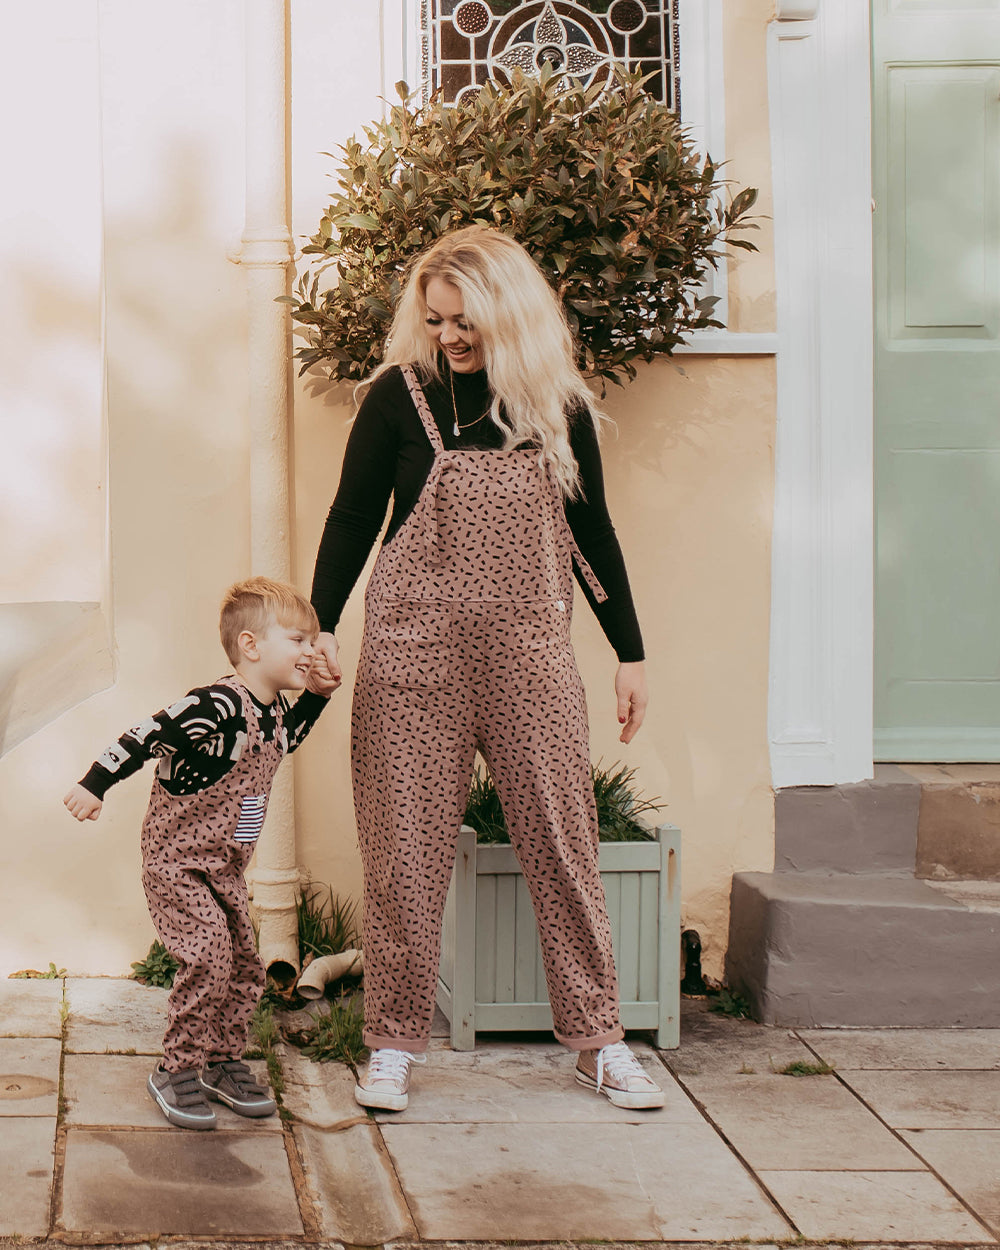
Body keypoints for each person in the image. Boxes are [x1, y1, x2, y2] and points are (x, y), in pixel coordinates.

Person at [308, 225, 663, 1112]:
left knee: (563, 844)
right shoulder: (398, 396)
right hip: (410, 655)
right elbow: (352, 519)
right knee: (403, 855)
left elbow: (595, 536)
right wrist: (320, 629)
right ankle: (392, 1043)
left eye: (464, 320)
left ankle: (600, 1043)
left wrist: (631, 653)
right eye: (434, 321)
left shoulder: (558, 408)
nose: (449, 337)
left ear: (509, 313)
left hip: (531, 657)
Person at [64, 577, 339, 1130]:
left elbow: (291, 739)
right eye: (298, 639)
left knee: (244, 962)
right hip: (177, 863)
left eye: (314, 641)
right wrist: (95, 783)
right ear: (250, 645)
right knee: (209, 953)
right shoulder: (214, 705)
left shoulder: (275, 713)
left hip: (226, 865)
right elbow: (147, 734)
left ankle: (221, 1060)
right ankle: (177, 1068)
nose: (311, 650)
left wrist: (318, 694)